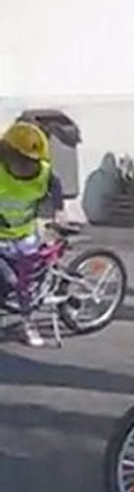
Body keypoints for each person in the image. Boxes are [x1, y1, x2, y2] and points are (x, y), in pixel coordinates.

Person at [0, 122, 65, 347]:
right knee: (7, 279)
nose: (26, 168)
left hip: (26, 236)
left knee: (23, 285)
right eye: (21, 162)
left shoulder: (43, 174)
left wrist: (59, 212)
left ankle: (28, 322)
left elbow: (55, 187)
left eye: (31, 163)